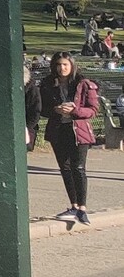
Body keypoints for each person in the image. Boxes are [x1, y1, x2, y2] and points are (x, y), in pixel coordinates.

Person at [36, 53, 99, 225]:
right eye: (58, 65)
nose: (61, 68)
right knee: (64, 168)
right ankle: (73, 205)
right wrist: (55, 109)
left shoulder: (83, 84)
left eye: (65, 64)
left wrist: (74, 111)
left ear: (71, 65)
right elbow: (42, 108)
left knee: (78, 167)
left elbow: (93, 110)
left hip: (78, 131)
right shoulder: (48, 84)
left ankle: (82, 208)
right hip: (58, 129)